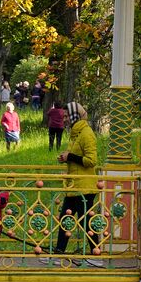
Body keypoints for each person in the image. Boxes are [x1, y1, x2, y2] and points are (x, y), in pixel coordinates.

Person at [51, 101, 102, 267]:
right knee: (66, 219)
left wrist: (70, 157)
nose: (64, 119)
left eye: (66, 116)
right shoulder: (75, 133)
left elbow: (91, 160)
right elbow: (76, 158)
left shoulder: (86, 134)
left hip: (85, 187)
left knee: (85, 221)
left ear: (74, 116)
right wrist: (66, 161)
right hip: (75, 186)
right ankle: (58, 254)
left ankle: (96, 255)